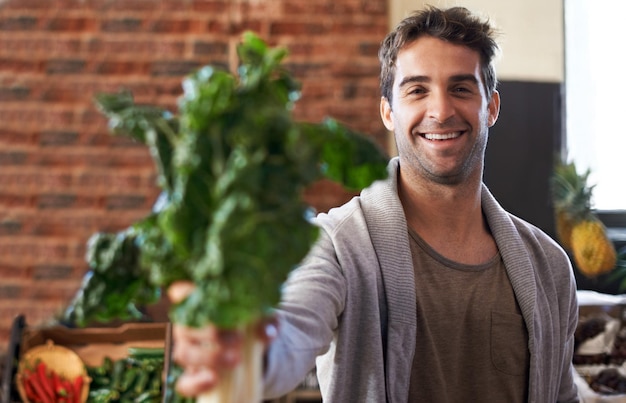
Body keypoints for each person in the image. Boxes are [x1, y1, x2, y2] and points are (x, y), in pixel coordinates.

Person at [169, 5, 580, 402]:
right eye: (417, 90)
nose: (440, 110)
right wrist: (242, 357)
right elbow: (290, 335)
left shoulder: (549, 266)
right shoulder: (337, 245)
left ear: (490, 107)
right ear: (388, 112)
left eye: (460, 88)